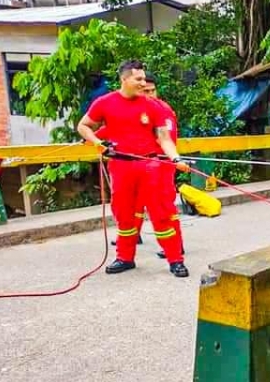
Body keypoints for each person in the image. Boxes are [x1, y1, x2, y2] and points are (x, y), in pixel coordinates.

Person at [78, 59, 189, 277]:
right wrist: (98, 143)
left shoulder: (153, 106)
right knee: (124, 214)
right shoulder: (104, 103)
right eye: (138, 79)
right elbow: (83, 126)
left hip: (150, 166)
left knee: (162, 213)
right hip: (121, 167)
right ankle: (125, 257)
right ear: (124, 79)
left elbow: (164, 138)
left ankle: (175, 259)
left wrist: (175, 158)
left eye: (144, 79)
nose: (142, 83)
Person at [140, 73, 185, 261]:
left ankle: (177, 245)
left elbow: (166, 139)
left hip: (162, 163)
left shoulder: (162, 110)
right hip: (146, 163)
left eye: (152, 90)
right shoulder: (142, 110)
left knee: (165, 206)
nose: (150, 94)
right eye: (145, 91)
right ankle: (130, 237)